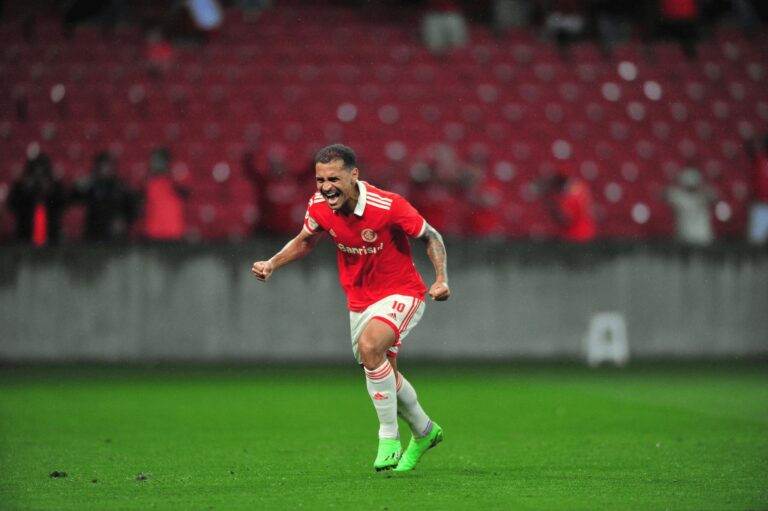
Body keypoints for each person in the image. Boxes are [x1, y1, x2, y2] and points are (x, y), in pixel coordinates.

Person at [251, 144, 450, 472]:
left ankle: (388, 436)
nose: (325, 187)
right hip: (359, 300)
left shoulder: (388, 205)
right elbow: (305, 240)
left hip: (403, 292)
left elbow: (431, 236)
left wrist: (441, 278)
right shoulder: (318, 206)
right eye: (319, 179)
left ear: (354, 175)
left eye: (333, 178)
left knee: (370, 348)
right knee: (384, 375)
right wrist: (273, 263)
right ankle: (426, 432)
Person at [71, 151, 140, 241]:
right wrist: (78, 186)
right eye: (105, 166)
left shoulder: (121, 186)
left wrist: (124, 222)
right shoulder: (91, 185)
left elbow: (132, 208)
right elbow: (73, 199)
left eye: (110, 166)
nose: (108, 169)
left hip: (116, 236)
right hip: (94, 234)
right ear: (98, 168)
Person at [7, 152, 67, 246]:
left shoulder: (55, 185)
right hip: (25, 232)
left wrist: (50, 190)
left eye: (42, 172)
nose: (38, 175)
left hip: (51, 234)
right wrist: (25, 190)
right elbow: (11, 204)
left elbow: (63, 204)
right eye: (35, 171)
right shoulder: (21, 186)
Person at [538, 168, 597, 243]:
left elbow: (566, 219)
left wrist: (550, 203)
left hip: (575, 236)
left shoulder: (571, 195)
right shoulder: (580, 187)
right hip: (584, 234)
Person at [143, 147, 188, 240]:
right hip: (154, 230)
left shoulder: (176, 179)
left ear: (167, 162)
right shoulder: (148, 181)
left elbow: (185, 194)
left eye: (158, 160)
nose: (155, 164)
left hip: (173, 230)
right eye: (153, 161)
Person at [665, 167, 716, 245]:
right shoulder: (678, 196)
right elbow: (665, 194)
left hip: (702, 235)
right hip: (685, 234)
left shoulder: (705, 195)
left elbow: (715, 196)